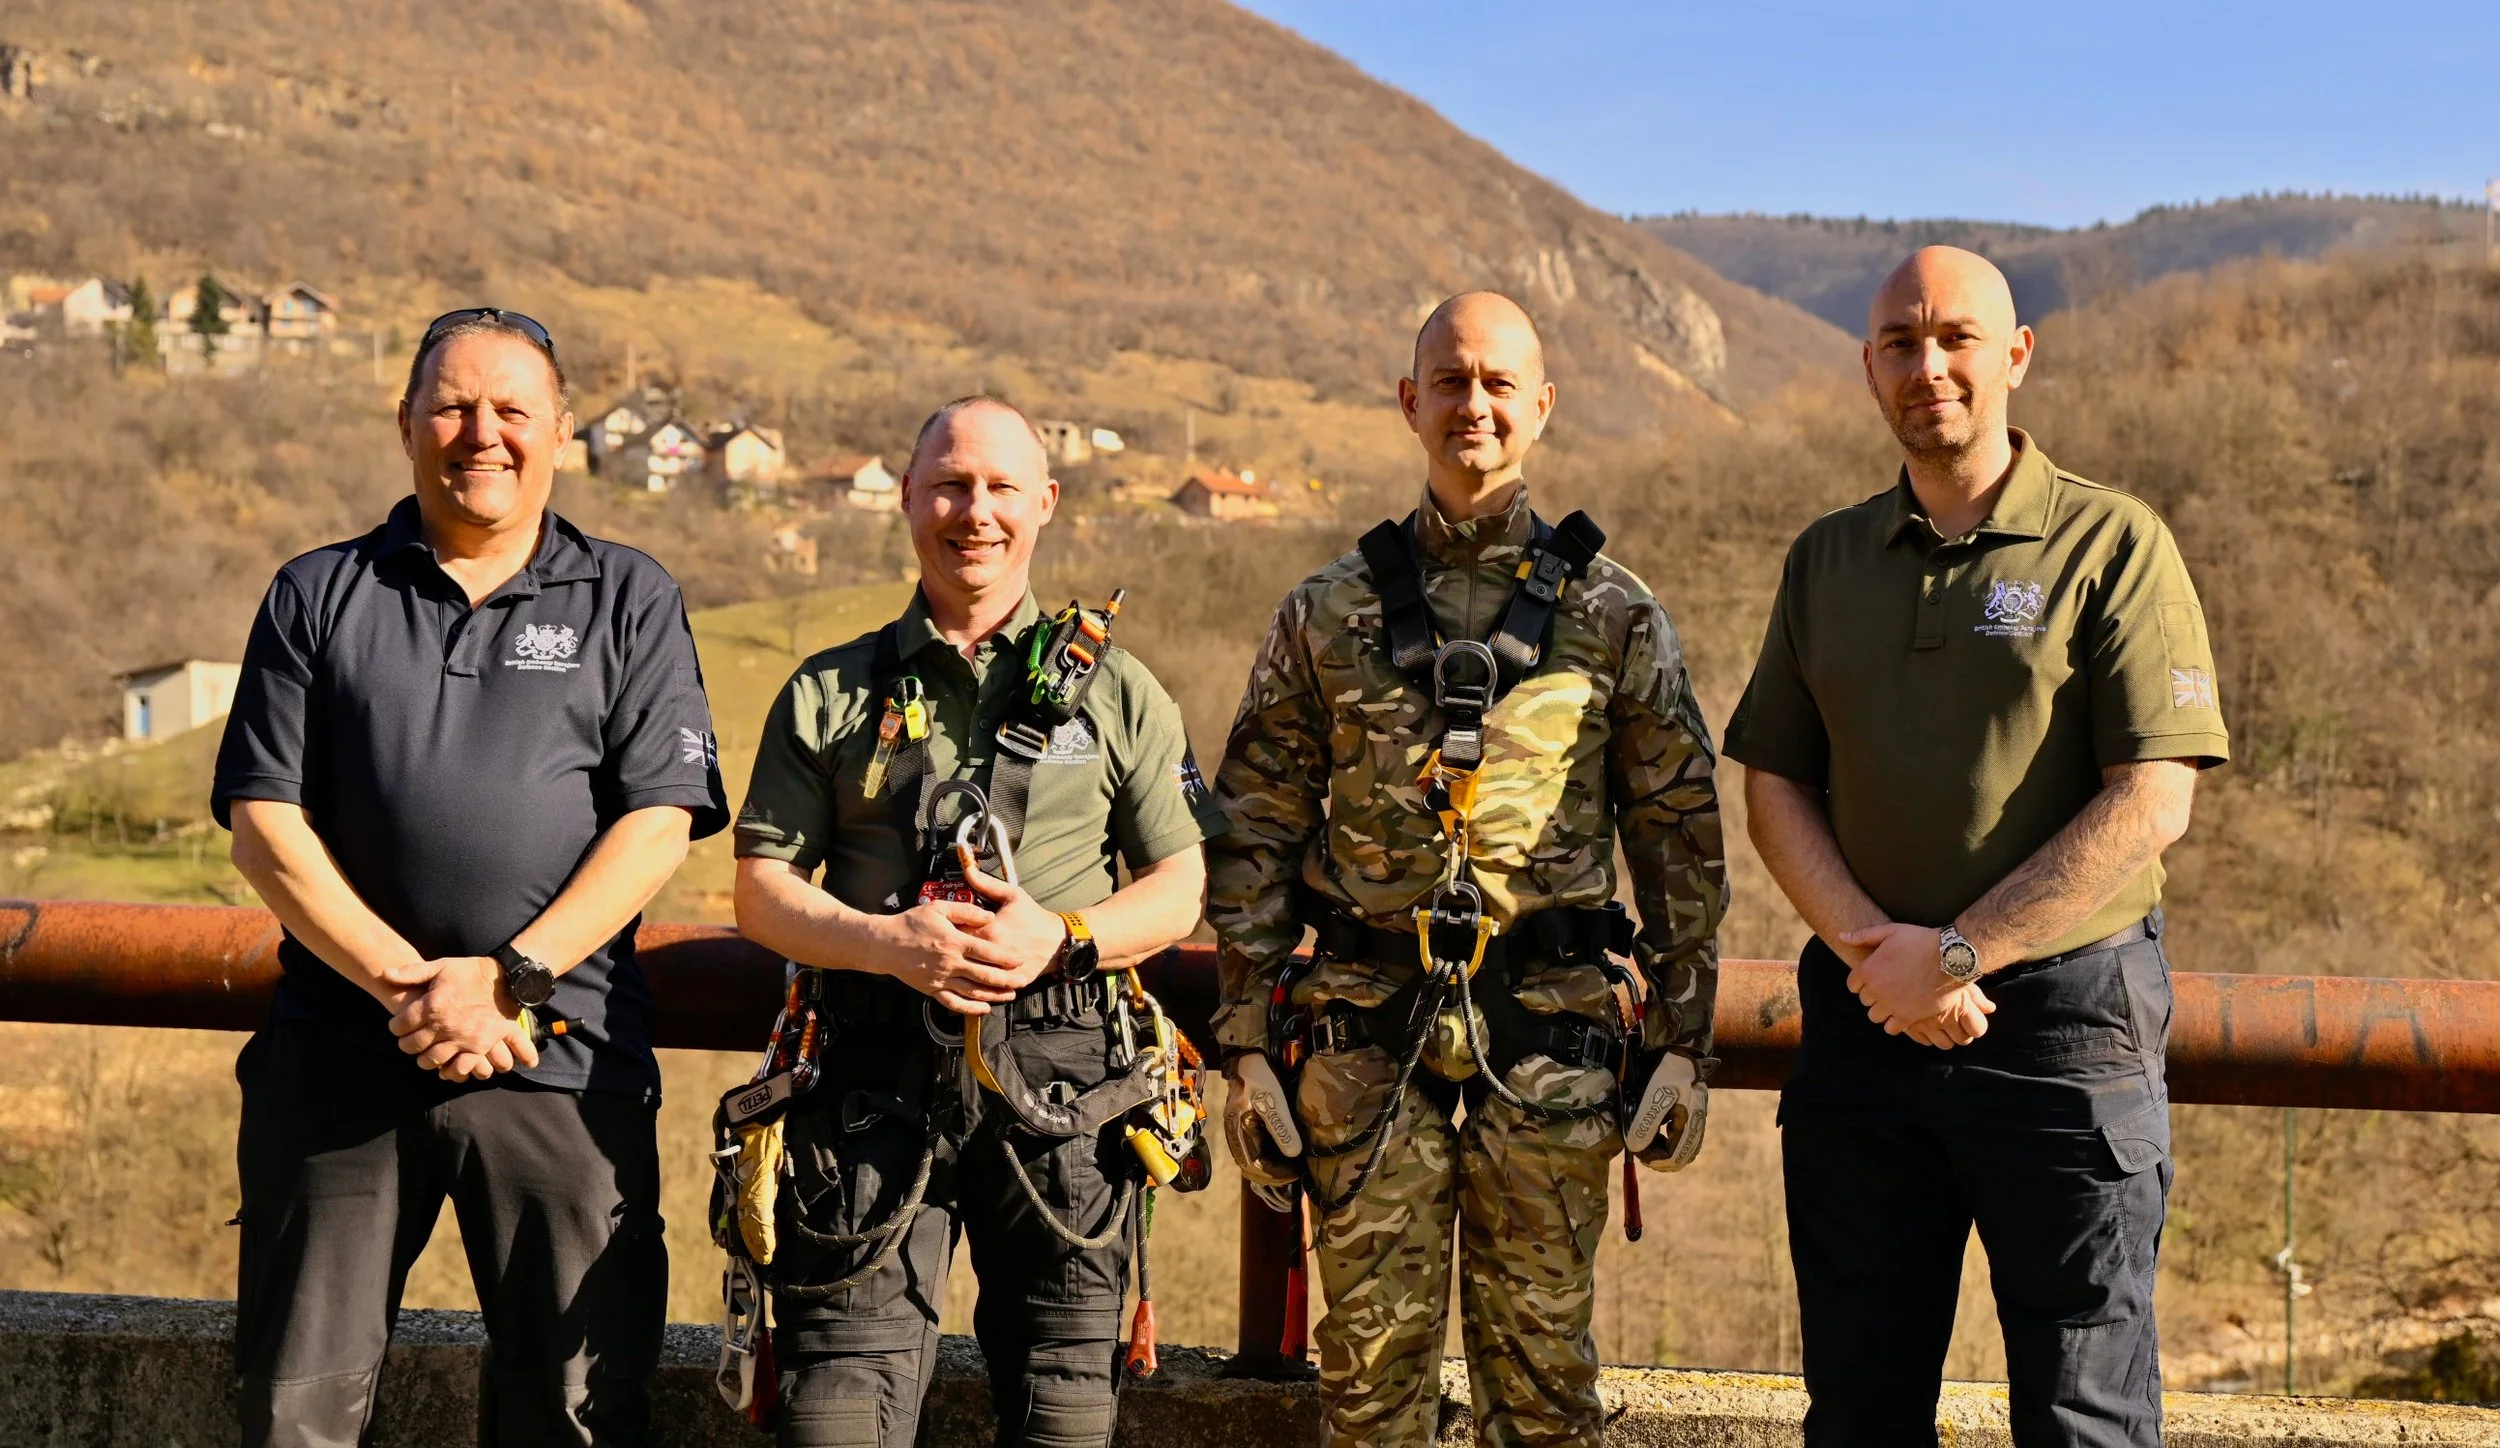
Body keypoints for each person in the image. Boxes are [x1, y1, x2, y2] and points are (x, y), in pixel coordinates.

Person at [1725, 246, 2230, 1446]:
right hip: (1863, 1019)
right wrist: (1878, 956)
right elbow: (1774, 781)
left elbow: (2153, 798)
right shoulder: (1826, 559)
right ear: (1868, 367)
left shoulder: (2113, 542)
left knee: (2082, 1414)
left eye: (1956, 337)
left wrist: (1956, 955)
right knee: (1859, 1408)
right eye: (1900, 343)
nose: (1929, 365)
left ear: (2015, 355)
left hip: (2065, 1026)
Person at [1206, 292, 1727, 1447]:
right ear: (1410, 401)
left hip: (1550, 1041)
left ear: (1541, 405)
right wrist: (1242, 1043)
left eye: (1498, 383)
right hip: (1362, 1044)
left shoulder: (1613, 612)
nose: (1473, 405)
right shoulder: (1326, 611)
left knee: (1543, 1393)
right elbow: (1253, 826)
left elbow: (1678, 835)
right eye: (1450, 380)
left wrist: (1684, 1041)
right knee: (1367, 1390)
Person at [214, 307, 729, 1447]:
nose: (481, 433)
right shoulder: (317, 592)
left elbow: (659, 825)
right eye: (452, 406)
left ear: (562, 432)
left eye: (511, 410)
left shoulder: (629, 596)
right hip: (342, 1056)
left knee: (577, 1414)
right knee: (294, 1411)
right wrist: (413, 988)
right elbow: (263, 827)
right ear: (405, 423)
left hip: (561, 1059)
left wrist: (508, 980)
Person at [731, 395, 1226, 1448]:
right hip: (865, 1077)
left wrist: (1063, 937)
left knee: (1066, 1414)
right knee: (836, 1419)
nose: (976, 510)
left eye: (1002, 486)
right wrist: (883, 943)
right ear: (908, 496)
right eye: (951, 484)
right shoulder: (829, 688)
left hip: (1068, 1083)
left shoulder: (1122, 690)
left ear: (1046, 502)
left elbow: (1181, 883)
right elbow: (760, 888)